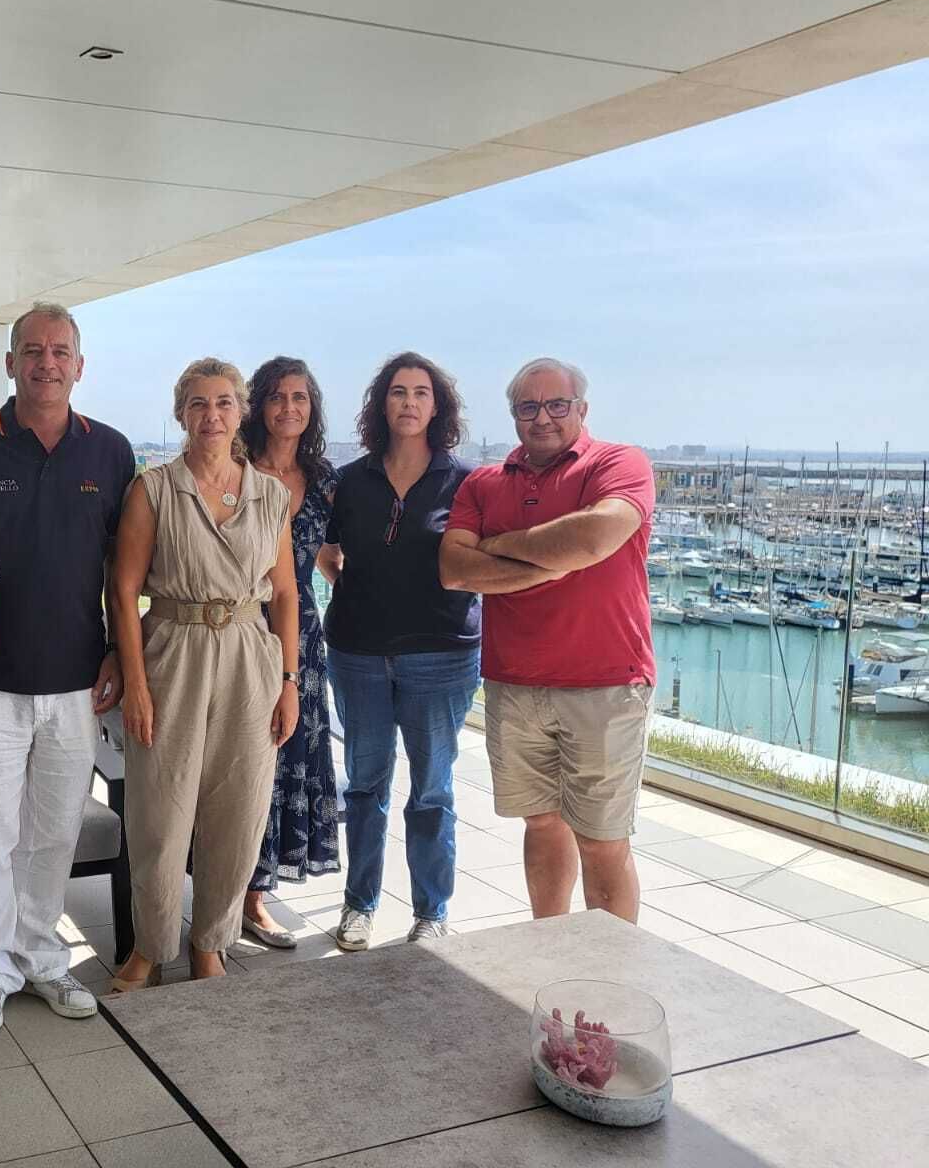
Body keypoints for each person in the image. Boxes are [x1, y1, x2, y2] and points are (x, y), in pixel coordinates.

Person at [0, 303, 136, 1034]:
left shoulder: (109, 452)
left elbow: (122, 567)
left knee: (52, 831)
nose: (46, 363)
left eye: (60, 352)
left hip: (78, 681)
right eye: (32, 351)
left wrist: (117, 645)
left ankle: (42, 956)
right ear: (10, 362)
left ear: (79, 366)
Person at [439, 357, 655, 923]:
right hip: (514, 684)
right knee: (541, 823)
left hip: (604, 684)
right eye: (528, 407)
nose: (543, 418)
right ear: (513, 415)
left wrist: (501, 546)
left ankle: (609, 974)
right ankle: (551, 947)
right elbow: (454, 569)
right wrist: (553, 561)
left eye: (557, 404)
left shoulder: (619, 462)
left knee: (603, 839)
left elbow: (597, 533)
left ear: (582, 409)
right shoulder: (484, 482)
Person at [110, 358, 300, 988]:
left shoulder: (270, 494)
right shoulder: (154, 488)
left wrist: (290, 680)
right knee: (159, 814)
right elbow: (124, 588)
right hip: (174, 649)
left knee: (239, 809)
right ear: (181, 414)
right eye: (197, 403)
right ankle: (150, 944)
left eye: (223, 402)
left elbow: (287, 594)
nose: (211, 414)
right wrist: (136, 683)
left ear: (241, 411)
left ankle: (211, 941)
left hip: (250, 654)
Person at [319, 352, 481, 950]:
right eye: (397, 392)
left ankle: (431, 911)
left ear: (437, 406)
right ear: (380, 405)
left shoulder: (464, 482)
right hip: (358, 651)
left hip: (440, 654)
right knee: (364, 785)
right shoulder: (351, 481)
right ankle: (359, 905)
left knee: (432, 788)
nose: (408, 402)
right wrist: (354, 588)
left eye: (420, 392)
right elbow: (325, 550)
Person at [236, 357, 341, 950]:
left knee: (283, 764)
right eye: (277, 397)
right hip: (240, 633)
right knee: (240, 766)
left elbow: (327, 553)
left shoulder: (325, 479)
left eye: (300, 397)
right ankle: (227, 891)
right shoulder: (235, 470)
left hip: (300, 636)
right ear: (258, 406)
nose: (289, 408)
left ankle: (254, 896)